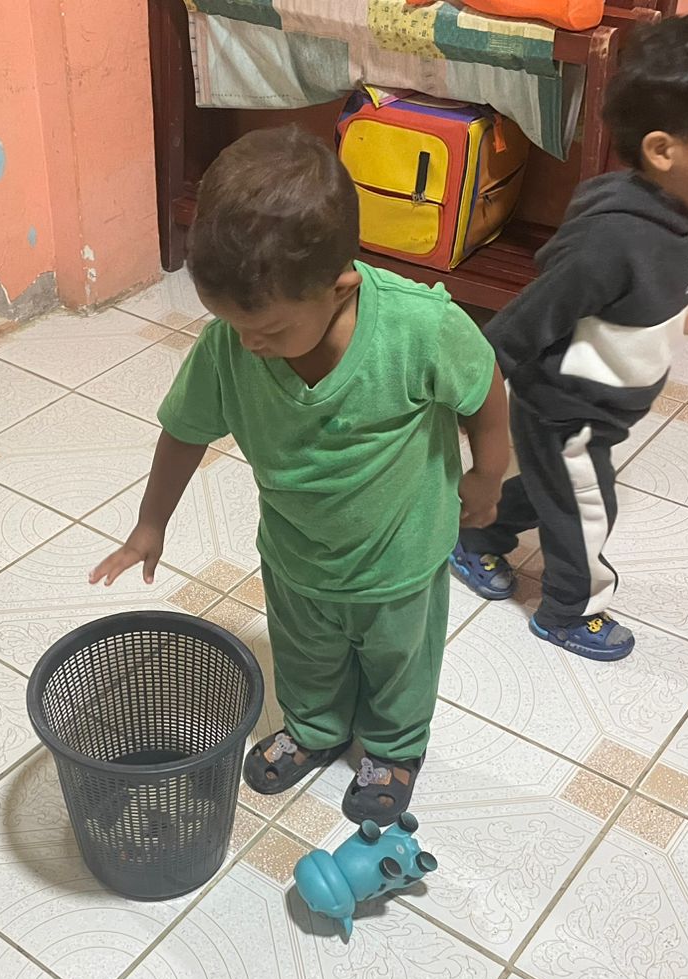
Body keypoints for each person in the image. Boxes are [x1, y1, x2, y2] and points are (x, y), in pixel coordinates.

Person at [90, 127, 509, 822]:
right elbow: (185, 430)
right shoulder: (231, 346)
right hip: (296, 555)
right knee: (305, 654)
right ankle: (315, 728)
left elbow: (485, 388)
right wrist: (149, 524)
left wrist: (488, 475)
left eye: (271, 330)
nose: (250, 344)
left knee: (400, 663)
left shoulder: (420, 328)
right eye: (233, 325)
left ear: (340, 289)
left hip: (400, 561)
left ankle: (395, 748)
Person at [451, 13, 688, 661]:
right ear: (663, 150)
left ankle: (476, 538)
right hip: (565, 408)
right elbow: (523, 323)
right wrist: (466, 400)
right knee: (587, 510)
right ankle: (569, 612)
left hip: (606, 405)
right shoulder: (611, 240)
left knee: (550, 493)